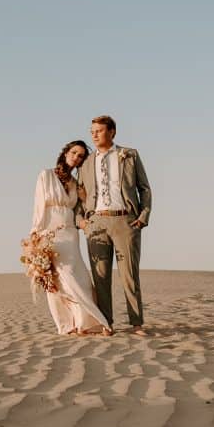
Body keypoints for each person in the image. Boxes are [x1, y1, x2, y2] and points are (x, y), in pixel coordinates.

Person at [76, 115, 152, 336]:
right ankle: (106, 323)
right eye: (92, 131)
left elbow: (144, 188)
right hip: (96, 222)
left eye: (99, 130)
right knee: (100, 276)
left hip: (126, 220)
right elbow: (79, 195)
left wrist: (143, 215)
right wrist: (81, 220)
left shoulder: (129, 155)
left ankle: (136, 323)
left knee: (129, 274)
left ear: (112, 132)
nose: (94, 134)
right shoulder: (86, 162)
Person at [29, 141, 112, 336]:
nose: (76, 157)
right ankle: (66, 324)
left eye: (81, 155)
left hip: (70, 234)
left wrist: (84, 197)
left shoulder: (75, 184)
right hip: (49, 232)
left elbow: (81, 208)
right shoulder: (46, 175)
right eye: (74, 152)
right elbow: (39, 205)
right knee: (55, 279)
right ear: (66, 152)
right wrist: (36, 232)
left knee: (78, 276)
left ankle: (87, 322)